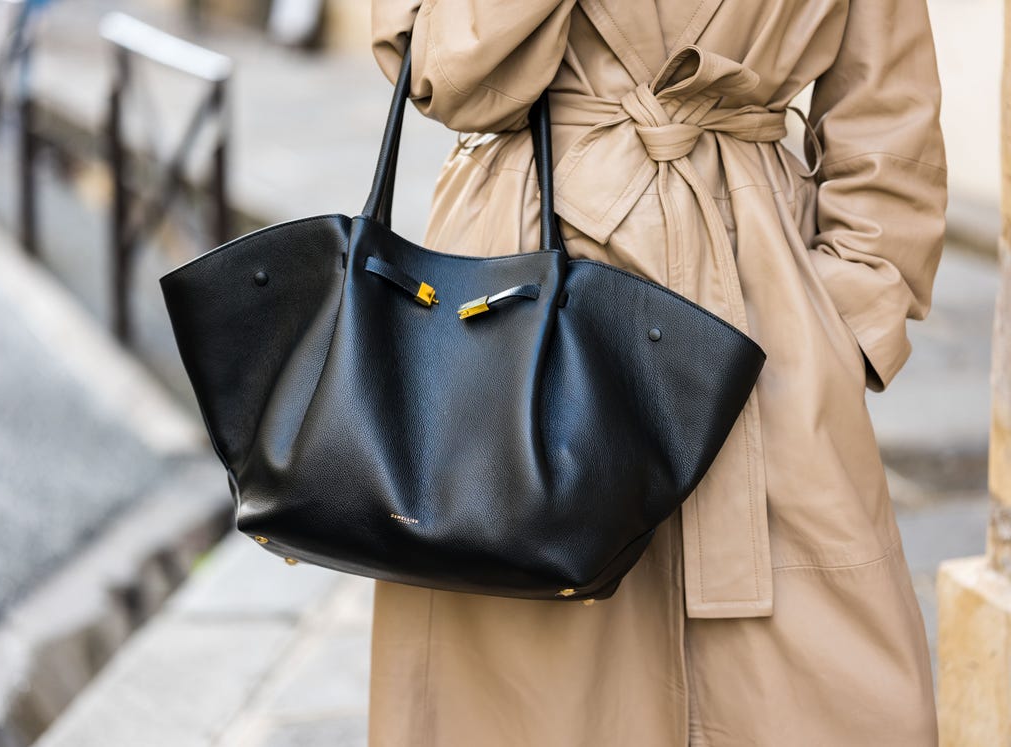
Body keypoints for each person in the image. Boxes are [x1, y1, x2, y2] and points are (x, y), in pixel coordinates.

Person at [367, 1, 947, 745]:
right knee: (533, 696)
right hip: (523, 313)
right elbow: (445, 72)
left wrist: (851, 321)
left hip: (761, 306)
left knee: (843, 693)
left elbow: (886, 104)